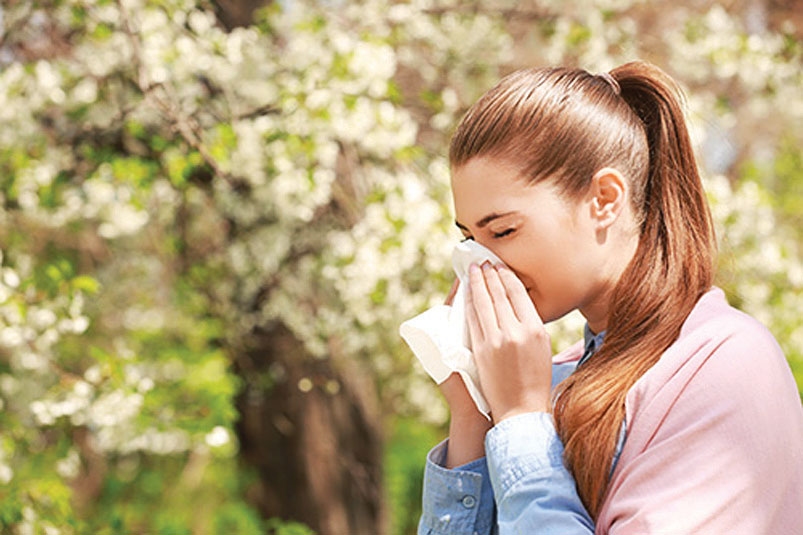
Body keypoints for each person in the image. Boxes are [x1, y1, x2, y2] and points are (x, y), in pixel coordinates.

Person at [417, 61, 803, 534]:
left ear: (604, 199)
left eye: (503, 230)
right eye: (470, 239)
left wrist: (520, 420)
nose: (482, 265)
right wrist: (475, 416)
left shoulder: (724, 365)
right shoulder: (555, 379)